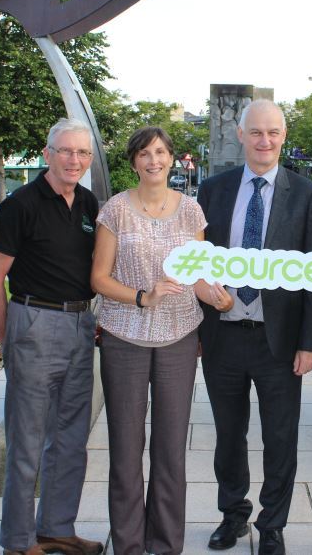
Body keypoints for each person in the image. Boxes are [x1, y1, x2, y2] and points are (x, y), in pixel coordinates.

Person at [196, 99, 312, 555]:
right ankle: (233, 516)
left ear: (283, 136)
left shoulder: (306, 194)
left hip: (279, 341)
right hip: (224, 335)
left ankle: (273, 524)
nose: (264, 140)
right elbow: (197, 260)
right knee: (228, 435)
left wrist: (311, 343)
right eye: (256, 132)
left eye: (273, 132)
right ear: (241, 135)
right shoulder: (213, 190)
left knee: (280, 436)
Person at [91, 126, 229, 555]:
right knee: (127, 448)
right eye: (145, 154)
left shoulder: (191, 211)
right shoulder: (115, 210)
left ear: (173, 159)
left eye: (161, 153)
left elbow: (201, 275)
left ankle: (167, 543)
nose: (154, 161)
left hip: (179, 338)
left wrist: (219, 298)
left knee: (171, 448)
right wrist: (141, 297)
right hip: (124, 336)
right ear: (133, 162)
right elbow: (98, 278)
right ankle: (129, 544)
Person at [0, 118, 102, 555]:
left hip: (80, 325)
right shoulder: (21, 204)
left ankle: (56, 527)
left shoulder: (89, 204)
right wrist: (8, 337)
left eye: (83, 153)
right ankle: (18, 541)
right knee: (27, 441)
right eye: (66, 151)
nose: (74, 160)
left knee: (72, 439)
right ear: (47, 152)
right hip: (33, 321)